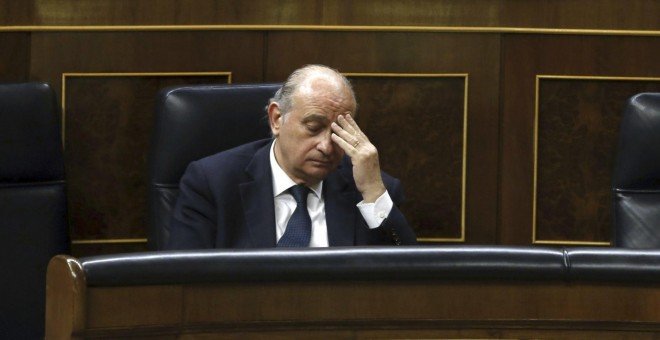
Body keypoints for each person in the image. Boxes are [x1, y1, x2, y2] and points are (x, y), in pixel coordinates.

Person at [166, 65, 416, 249]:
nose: (327, 147)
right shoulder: (212, 183)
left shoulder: (370, 190)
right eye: (313, 127)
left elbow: (409, 278)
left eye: (339, 131)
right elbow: (183, 281)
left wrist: (374, 193)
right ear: (277, 119)